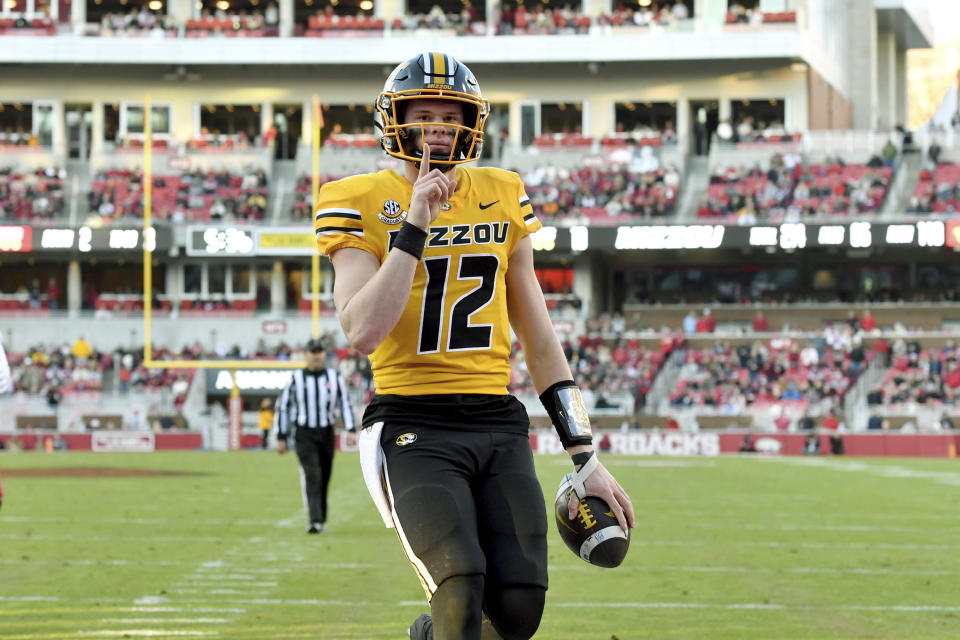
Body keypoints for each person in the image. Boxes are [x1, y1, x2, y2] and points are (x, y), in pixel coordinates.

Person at [314, 52, 635, 640]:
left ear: (474, 121)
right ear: (395, 119)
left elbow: (538, 336)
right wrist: (414, 224)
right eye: (424, 111)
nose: (439, 124)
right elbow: (361, 331)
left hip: (496, 420)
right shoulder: (355, 198)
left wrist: (584, 454)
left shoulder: (502, 192)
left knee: (517, 611)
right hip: (412, 422)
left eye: (452, 112)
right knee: (460, 593)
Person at [274, 338, 355, 534]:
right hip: (304, 433)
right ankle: (315, 520)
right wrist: (281, 436)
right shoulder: (295, 379)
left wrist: (351, 429)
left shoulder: (334, 378)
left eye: (320, 352)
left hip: (326, 432)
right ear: (306, 355)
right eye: (313, 352)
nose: (317, 356)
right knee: (313, 473)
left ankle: (320, 518)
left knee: (325, 476)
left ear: (324, 355)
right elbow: (283, 406)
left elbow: (344, 403)